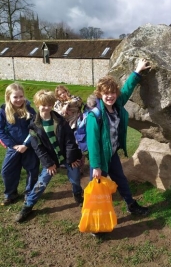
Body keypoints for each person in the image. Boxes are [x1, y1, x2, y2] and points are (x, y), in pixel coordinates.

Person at [86, 58, 151, 216]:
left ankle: (131, 205)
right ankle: (96, 220)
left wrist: (137, 71)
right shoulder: (95, 116)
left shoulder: (116, 106)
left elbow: (128, 89)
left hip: (112, 154)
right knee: (98, 190)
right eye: (106, 93)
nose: (110, 96)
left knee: (121, 180)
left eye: (113, 93)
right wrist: (96, 166)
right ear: (100, 95)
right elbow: (92, 143)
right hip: (100, 159)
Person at [15, 90, 84, 222]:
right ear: (37, 104)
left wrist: (72, 159)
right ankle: (28, 206)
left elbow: (70, 140)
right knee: (41, 182)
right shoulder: (34, 126)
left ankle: (77, 194)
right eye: (43, 105)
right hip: (51, 160)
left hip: (67, 157)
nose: (46, 108)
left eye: (49, 105)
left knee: (75, 178)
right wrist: (48, 164)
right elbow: (38, 148)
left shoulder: (60, 120)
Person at [0, 83, 39, 206]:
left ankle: (29, 194)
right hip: (13, 148)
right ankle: (11, 194)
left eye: (21, 96)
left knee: (32, 171)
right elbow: (1, 130)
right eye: (15, 97)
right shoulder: (3, 111)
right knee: (7, 171)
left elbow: (34, 129)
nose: (19, 100)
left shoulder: (29, 110)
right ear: (8, 97)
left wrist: (26, 144)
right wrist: (12, 145)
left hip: (29, 147)